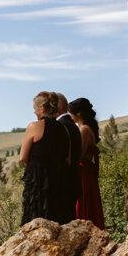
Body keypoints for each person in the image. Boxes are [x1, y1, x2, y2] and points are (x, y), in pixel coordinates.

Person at [19, 91, 69, 225]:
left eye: (35, 108)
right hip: (58, 181)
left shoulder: (33, 127)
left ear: (41, 108)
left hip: (38, 182)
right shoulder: (64, 130)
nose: (34, 112)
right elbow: (67, 158)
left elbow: (23, 157)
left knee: (36, 218)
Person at [69, 97, 106, 229]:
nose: (70, 116)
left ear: (78, 113)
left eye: (71, 113)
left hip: (83, 174)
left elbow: (79, 156)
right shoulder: (87, 128)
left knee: (83, 206)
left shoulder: (84, 130)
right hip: (87, 172)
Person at [54, 92, 82, 223]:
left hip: (63, 184)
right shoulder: (73, 125)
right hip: (74, 180)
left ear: (56, 107)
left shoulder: (61, 126)